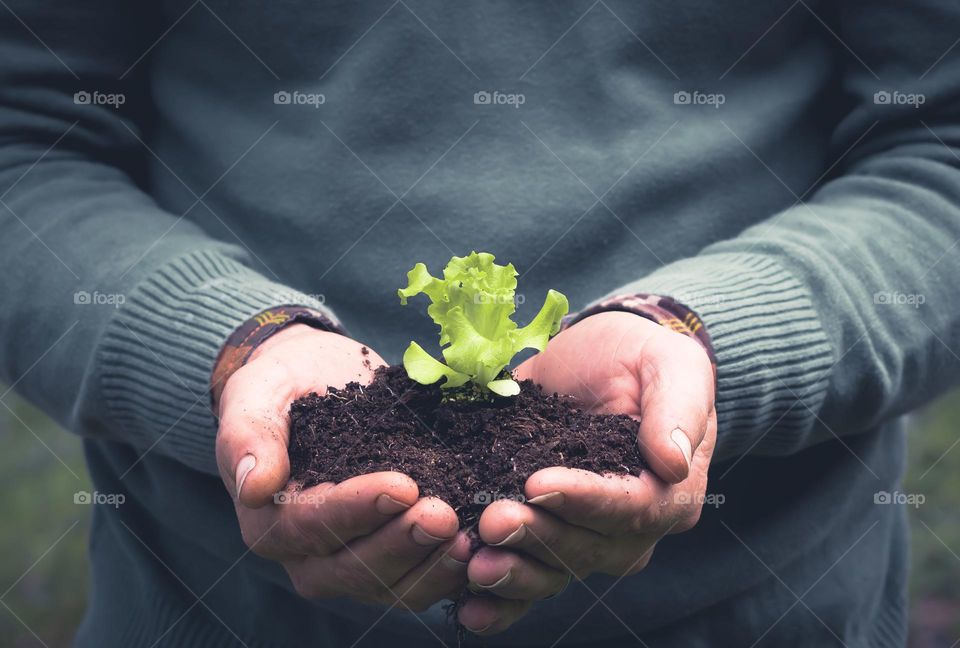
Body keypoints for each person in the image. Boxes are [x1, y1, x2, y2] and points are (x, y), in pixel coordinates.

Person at [1, 1, 958, 646]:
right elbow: (26, 142)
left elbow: (940, 144)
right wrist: (233, 345)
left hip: (765, 604)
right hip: (211, 602)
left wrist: (709, 336)